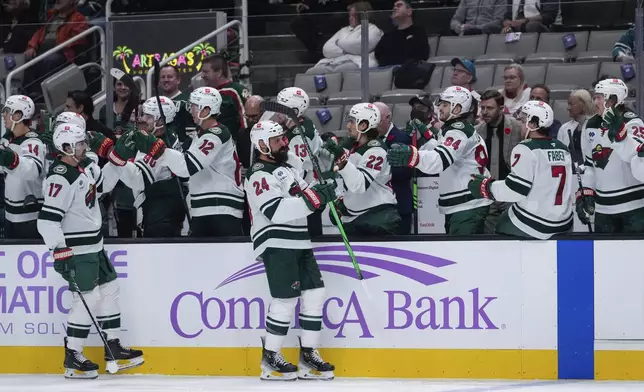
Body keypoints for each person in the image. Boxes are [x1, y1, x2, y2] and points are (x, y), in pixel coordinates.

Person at [37, 123, 143, 380]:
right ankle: (73, 354)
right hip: (79, 249)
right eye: (80, 143)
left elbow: (104, 182)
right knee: (87, 299)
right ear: (66, 147)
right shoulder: (60, 177)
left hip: (95, 246)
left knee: (110, 289)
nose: (86, 146)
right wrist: (60, 251)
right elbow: (47, 221)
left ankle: (114, 346)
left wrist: (118, 155)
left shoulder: (82, 168)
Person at [244, 120, 336, 381]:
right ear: (262, 144)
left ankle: (308, 354)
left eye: (284, 138)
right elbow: (275, 211)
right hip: (277, 241)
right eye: (277, 140)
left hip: (299, 240)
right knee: (285, 300)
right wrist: (313, 199)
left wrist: (327, 191)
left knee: (316, 293)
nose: (284, 142)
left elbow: (308, 195)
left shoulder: (288, 168)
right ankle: (270, 356)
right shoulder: (259, 174)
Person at [128, 87, 245, 237]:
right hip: (206, 208)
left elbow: (187, 167)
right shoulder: (201, 136)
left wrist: (158, 150)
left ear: (206, 110)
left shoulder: (216, 134)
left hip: (221, 209)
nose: (191, 110)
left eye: (195, 106)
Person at [387, 86, 493, 234]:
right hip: (463, 205)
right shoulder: (454, 129)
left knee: (462, 254)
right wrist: (420, 140)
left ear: (457, 108)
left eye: (445, 104)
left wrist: (411, 156)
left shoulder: (458, 130)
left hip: (468, 206)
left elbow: (439, 160)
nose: (439, 108)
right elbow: (436, 148)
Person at [468, 101, 574, 239]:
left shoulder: (525, 148)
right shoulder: (562, 148)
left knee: (501, 224)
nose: (521, 125)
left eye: (523, 121)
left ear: (533, 124)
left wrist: (486, 187)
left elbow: (515, 190)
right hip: (564, 221)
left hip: (537, 223)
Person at [89, 97, 186, 238]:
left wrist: (111, 152)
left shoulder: (161, 145)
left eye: (148, 116)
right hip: (158, 213)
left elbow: (137, 179)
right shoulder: (160, 137)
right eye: (142, 114)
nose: (141, 119)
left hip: (162, 217)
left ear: (160, 121)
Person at [323, 102, 401, 235]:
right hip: (357, 217)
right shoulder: (353, 146)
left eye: (352, 122)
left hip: (379, 218)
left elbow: (359, 185)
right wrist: (343, 201)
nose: (348, 126)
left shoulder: (376, 151)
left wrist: (342, 159)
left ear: (363, 125)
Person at [579, 78, 644, 233]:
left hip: (634, 207)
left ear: (613, 98)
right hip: (603, 210)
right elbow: (589, 165)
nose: (595, 102)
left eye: (599, 97)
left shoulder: (633, 122)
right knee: (602, 257)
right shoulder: (590, 125)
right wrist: (586, 193)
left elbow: (638, 160)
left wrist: (621, 138)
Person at [475, 89, 523, 233]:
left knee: (511, 235)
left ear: (501, 109)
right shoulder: (477, 131)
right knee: (486, 238)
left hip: (511, 192)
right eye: (482, 107)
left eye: (489, 108)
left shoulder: (516, 128)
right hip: (487, 193)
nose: (484, 112)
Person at [1, 95, 45, 239]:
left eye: (7, 111)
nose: (4, 115)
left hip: (29, 218)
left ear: (18, 115)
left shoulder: (33, 142)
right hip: (10, 214)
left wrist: (9, 159)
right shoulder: (8, 138)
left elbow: (31, 170)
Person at [305, 1, 383, 75]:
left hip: (357, 62)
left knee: (341, 70)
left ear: (362, 15)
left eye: (354, 15)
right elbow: (326, 49)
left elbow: (360, 46)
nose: (350, 18)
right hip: (335, 61)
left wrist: (338, 43)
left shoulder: (372, 29)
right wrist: (345, 52)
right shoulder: (344, 30)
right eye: (350, 15)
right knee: (311, 72)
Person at [374, 102, 413, 234]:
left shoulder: (402, 138)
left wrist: (374, 172)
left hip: (399, 206)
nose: (372, 123)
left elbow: (404, 172)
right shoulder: (368, 140)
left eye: (376, 119)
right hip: (376, 208)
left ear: (388, 118)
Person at [201, 54, 250, 137]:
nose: (202, 76)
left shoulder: (236, 90)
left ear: (219, 73)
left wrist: (243, 143)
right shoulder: (204, 94)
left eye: (206, 72)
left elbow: (247, 120)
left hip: (234, 145)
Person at [374, 0, 430, 67]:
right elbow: (378, 53)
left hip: (408, 71)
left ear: (409, 11)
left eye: (399, 5)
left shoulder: (418, 32)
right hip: (387, 72)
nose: (394, 8)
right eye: (394, 7)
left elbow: (421, 55)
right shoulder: (388, 35)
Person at [557, 89, 595, 167]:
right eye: (568, 104)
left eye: (571, 104)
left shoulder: (596, 127)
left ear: (584, 105)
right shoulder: (564, 128)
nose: (568, 107)